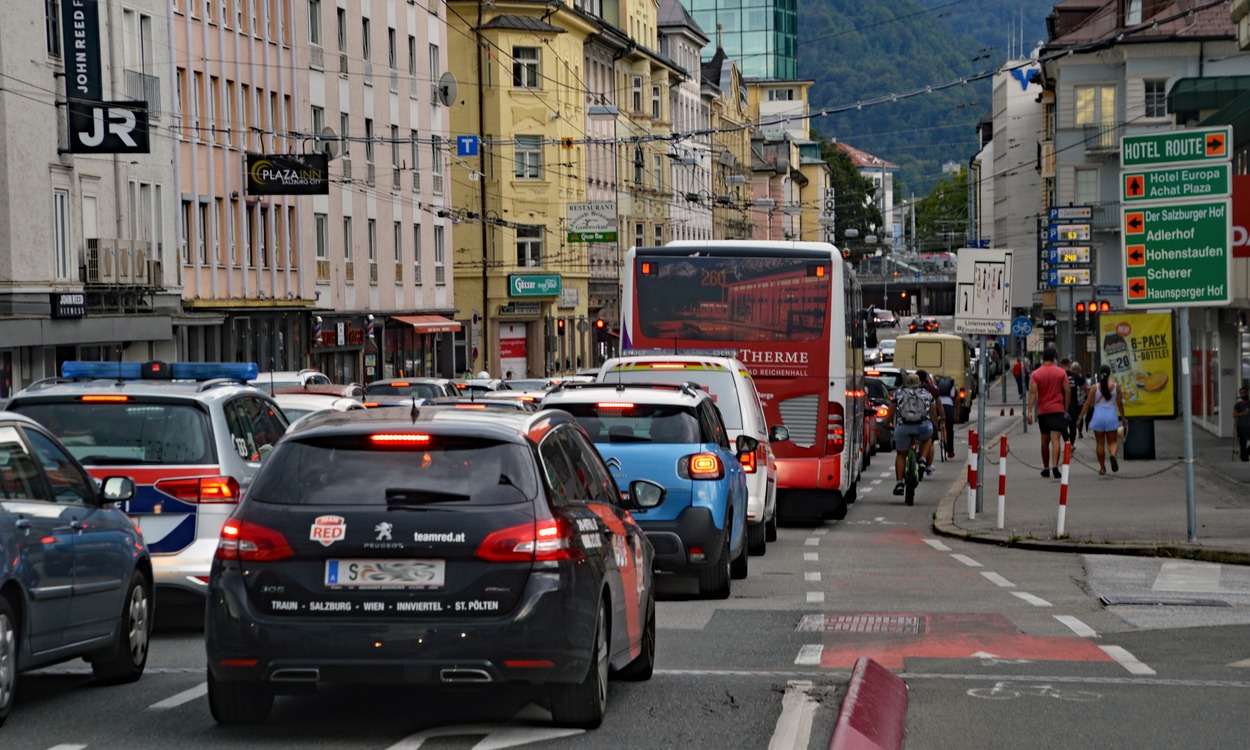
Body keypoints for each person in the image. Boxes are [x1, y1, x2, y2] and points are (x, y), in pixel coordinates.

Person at [892, 373, 942, 496]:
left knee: (901, 454)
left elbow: (891, 411)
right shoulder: (927, 394)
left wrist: (887, 423)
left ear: (905, 383)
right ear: (919, 383)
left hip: (904, 427)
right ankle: (922, 460)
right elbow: (933, 412)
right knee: (928, 438)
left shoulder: (898, 394)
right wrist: (935, 426)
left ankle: (899, 483)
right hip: (922, 427)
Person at [1026, 347, 1071, 478]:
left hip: (1043, 411)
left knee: (1044, 440)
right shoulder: (1061, 372)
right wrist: (1066, 408)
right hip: (1057, 410)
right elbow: (1068, 390)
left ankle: (1046, 468)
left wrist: (1029, 411)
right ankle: (1055, 467)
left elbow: (1033, 392)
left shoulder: (1036, 374)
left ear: (1043, 358)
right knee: (1056, 439)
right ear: (1054, 358)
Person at [1077, 364, 1126, 474]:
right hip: (1111, 416)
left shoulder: (1095, 387)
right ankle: (1112, 455)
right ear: (1109, 374)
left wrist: (1080, 417)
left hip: (1098, 416)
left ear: (1100, 374)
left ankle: (1102, 468)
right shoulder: (1117, 387)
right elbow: (1119, 404)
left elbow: (1087, 404)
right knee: (1112, 442)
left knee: (1100, 443)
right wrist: (1123, 417)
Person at [915, 371, 943, 470]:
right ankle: (928, 465)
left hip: (909, 422)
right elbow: (938, 406)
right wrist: (939, 420)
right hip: (926, 421)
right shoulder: (931, 390)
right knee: (929, 441)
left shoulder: (907, 390)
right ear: (927, 378)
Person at [934, 373, 957, 458]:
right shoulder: (953, 389)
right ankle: (950, 451)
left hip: (938, 406)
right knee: (950, 428)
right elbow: (957, 400)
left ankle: (935, 436)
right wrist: (956, 413)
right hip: (949, 407)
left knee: (934, 425)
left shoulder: (937, 387)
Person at [1066, 362, 1087, 443]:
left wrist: (1086, 399)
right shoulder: (1070, 378)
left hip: (1080, 401)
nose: (1075, 371)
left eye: (1076, 369)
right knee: (1071, 422)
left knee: (1080, 418)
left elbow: (1086, 388)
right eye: (1073, 369)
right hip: (1072, 403)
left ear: (1079, 370)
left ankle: (1080, 431)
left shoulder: (1081, 378)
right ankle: (1071, 438)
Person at [1234, 386, 1250, 462]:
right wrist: (1244, 414)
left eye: (1245, 393)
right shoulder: (1238, 404)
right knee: (1243, 443)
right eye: (1242, 393)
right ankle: (1244, 458)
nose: (1243, 394)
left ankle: (1246, 453)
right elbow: (1234, 414)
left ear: (1248, 393)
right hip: (1242, 426)